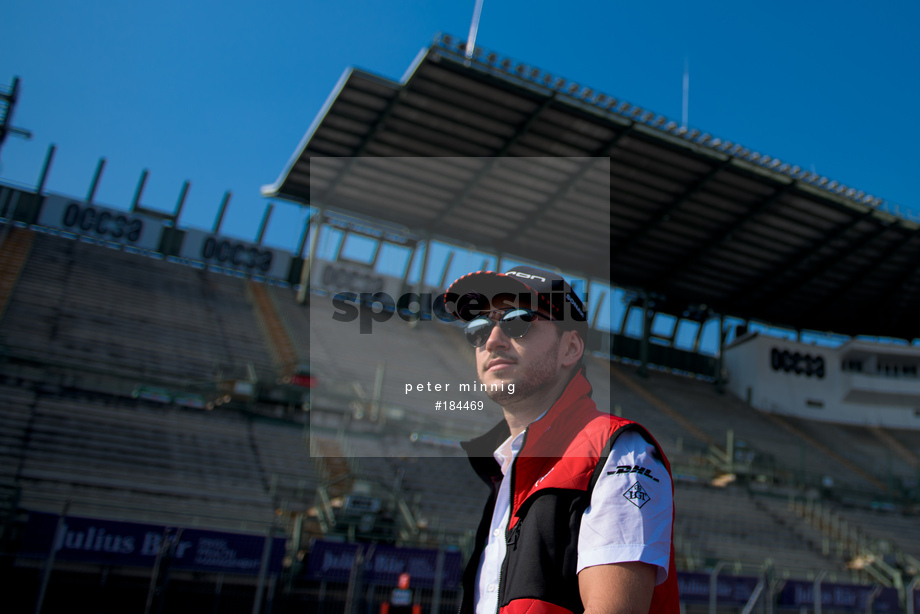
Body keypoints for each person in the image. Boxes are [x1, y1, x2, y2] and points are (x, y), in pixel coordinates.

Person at [443, 266, 680, 614]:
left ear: (570, 348)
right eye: (478, 329)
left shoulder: (617, 451)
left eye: (516, 321)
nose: (491, 340)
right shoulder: (503, 469)